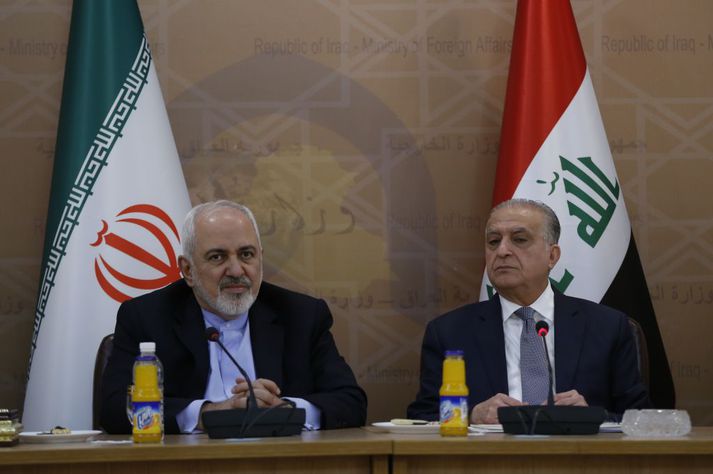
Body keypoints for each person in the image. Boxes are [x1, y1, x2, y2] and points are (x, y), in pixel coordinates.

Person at [100, 200, 367, 433]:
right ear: (188, 270)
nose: (237, 270)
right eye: (218, 257)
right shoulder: (146, 317)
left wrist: (285, 410)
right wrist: (208, 414)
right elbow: (113, 409)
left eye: (246, 254)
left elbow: (351, 403)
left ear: (260, 258)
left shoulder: (301, 315)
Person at [407, 199, 650, 424]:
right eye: (493, 241)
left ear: (552, 256)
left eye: (520, 239)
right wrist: (470, 415)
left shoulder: (607, 327)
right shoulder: (449, 332)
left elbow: (641, 419)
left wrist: (592, 416)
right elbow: (422, 417)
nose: (502, 251)